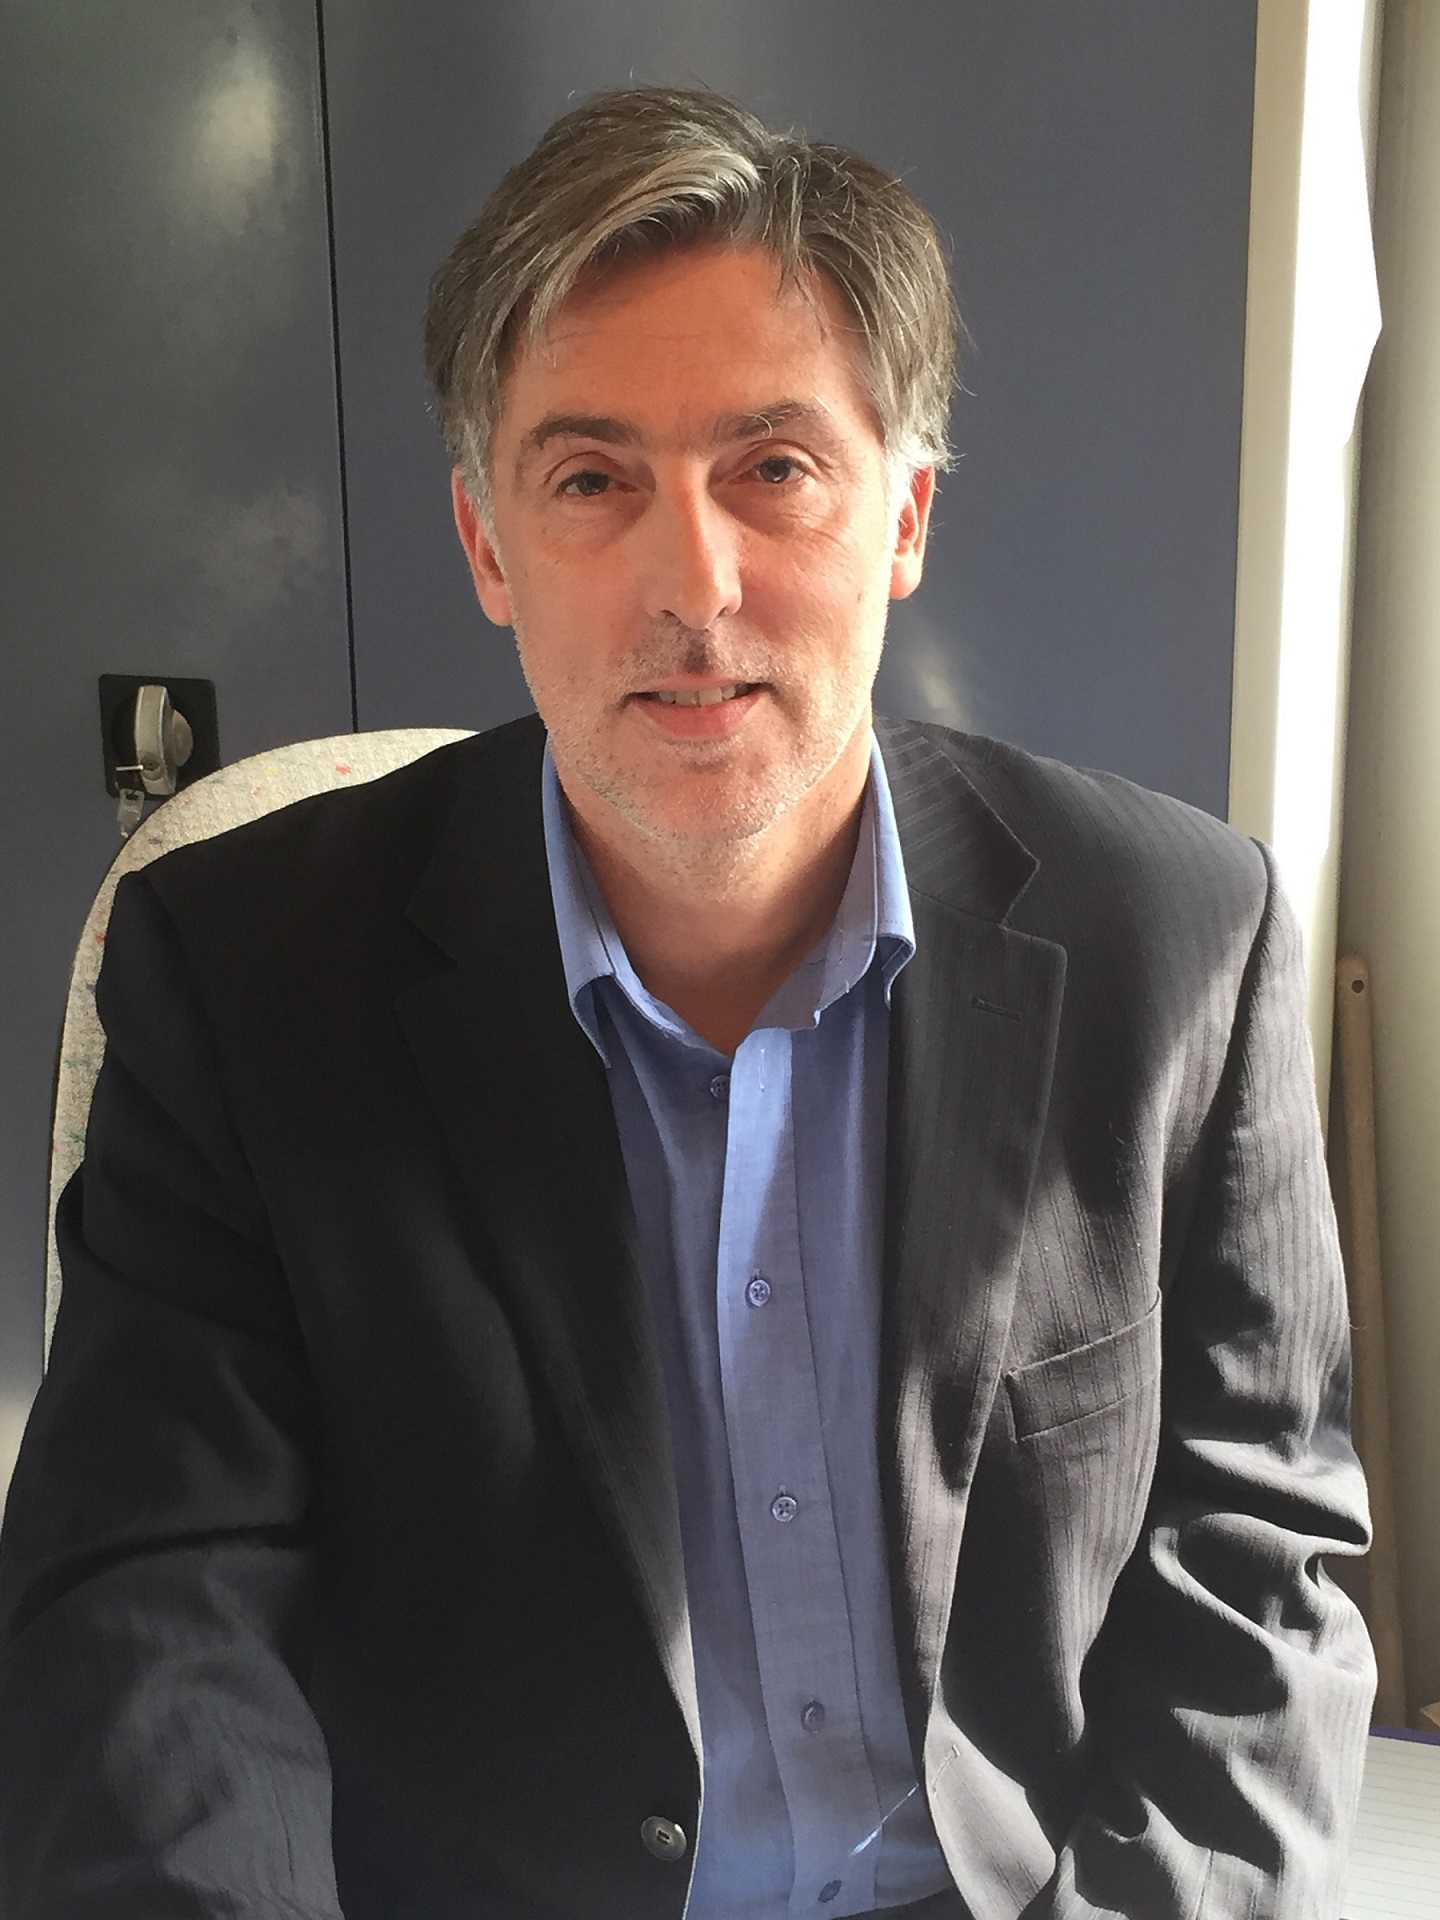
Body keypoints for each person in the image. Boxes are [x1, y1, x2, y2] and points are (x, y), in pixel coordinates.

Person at [0, 86, 1375, 1920]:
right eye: (591, 482)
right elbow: (150, 1599)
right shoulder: (242, 973)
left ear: (905, 514)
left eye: (773, 469)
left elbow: (1259, 1556)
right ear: (489, 547)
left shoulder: (1183, 939)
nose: (692, 583)